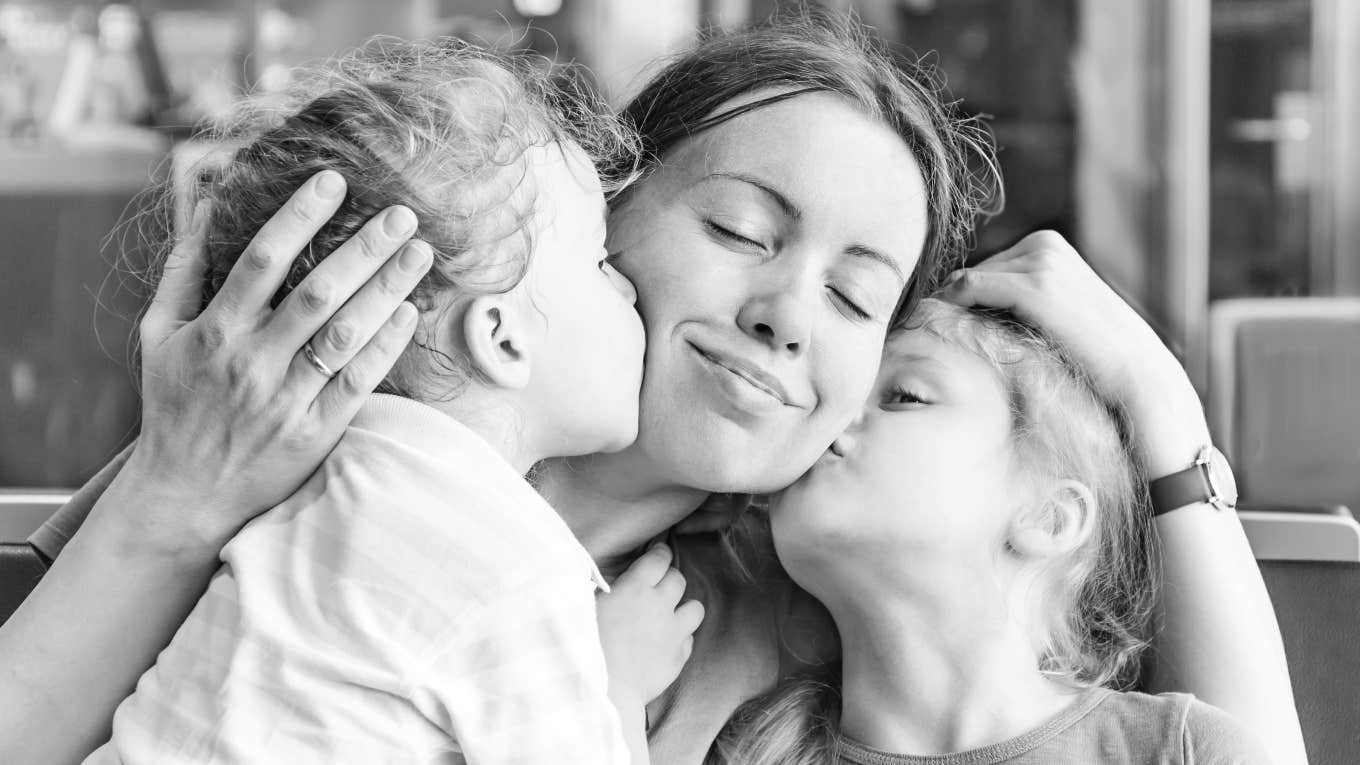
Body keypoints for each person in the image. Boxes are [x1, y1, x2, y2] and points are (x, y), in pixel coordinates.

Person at [0, 11, 1307, 765]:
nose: (785, 313)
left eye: (859, 299)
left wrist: (1162, 415)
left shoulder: (809, 624)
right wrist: (175, 493)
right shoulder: (302, 435)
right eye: (741, 230)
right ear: (593, 230)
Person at [79, 38, 697, 765]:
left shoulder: (300, 482)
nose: (628, 290)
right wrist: (612, 683)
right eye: (599, 261)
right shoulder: (520, 568)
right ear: (500, 338)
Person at [710, 298, 1271, 764]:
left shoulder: (1183, 750)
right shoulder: (740, 752)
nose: (831, 415)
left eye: (903, 396)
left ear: (1048, 517)